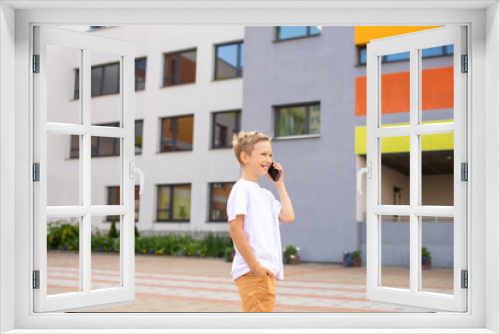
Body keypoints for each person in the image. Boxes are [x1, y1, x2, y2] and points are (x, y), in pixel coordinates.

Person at [227, 130, 295, 312]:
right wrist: (255, 267)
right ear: (245, 157)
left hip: (264, 272)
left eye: (271, 154)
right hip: (253, 271)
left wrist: (280, 185)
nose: (269, 159)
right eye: (263, 154)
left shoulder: (265, 195)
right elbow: (235, 229)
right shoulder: (241, 189)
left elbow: (288, 217)